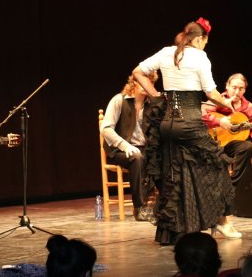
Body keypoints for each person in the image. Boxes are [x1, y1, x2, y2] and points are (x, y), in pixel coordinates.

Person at [132, 17, 241, 245]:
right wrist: (226, 103)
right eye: (205, 42)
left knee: (176, 175)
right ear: (200, 39)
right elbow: (210, 93)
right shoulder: (200, 56)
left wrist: (156, 95)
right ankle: (221, 220)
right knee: (218, 165)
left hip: (168, 125)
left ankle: (175, 231)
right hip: (190, 124)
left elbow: (137, 72)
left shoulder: (166, 52)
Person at [100, 72, 159, 222]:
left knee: (162, 156)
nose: (148, 85)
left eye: (151, 82)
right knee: (137, 157)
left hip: (144, 148)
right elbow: (106, 128)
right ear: (135, 82)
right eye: (145, 81)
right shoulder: (119, 100)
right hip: (120, 150)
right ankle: (139, 207)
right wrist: (124, 145)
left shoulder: (150, 104)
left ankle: (156, 205)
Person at [201, 73, 252, 185]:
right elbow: (201, 115)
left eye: (241, 89)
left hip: (244, 141)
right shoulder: (218, 100)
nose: (237, 92)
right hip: (222, 142)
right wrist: (220, 122)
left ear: (244, 90)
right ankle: (235, 186)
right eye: (234, 88)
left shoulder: (249, 107)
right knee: (247, 147)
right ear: (227, 86)